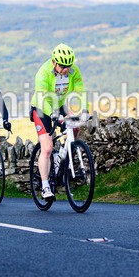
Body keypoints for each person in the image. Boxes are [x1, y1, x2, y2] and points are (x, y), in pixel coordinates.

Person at [30, 44, 88, 200]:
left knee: (74, 128)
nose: (65, 70)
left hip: (59, 105)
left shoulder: (73, 70)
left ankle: (61, 155)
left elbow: (80, 89)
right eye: (63, 66)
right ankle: (45, 186)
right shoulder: (43, 72)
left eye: (68, 66)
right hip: (41, 109)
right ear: (54, 62)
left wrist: (84, 109)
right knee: (47, 148)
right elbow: (42, 98)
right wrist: (53, 115)